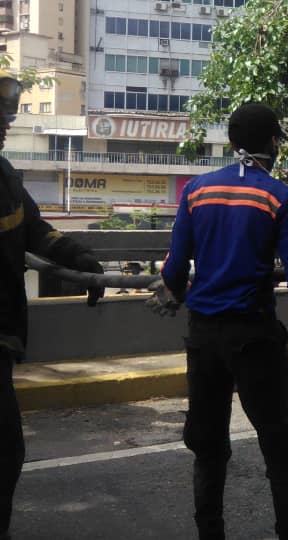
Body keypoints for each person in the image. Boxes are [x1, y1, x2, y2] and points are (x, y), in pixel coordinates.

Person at [146, 103, 288, 540]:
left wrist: (170, 289)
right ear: (273, 142)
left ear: (232, 142)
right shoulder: (280, 197)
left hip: (204, 337)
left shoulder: (195, 192)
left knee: (208, 446)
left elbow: (174, 271)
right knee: (278, 445)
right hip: (254, 337)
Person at [0, 70, 105, 540]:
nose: (7, 119)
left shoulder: (5, 177)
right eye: (0, 110)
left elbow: (37, 231)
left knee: (6, 456)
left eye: (11, 109)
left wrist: (79, 259)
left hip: (1, 340)